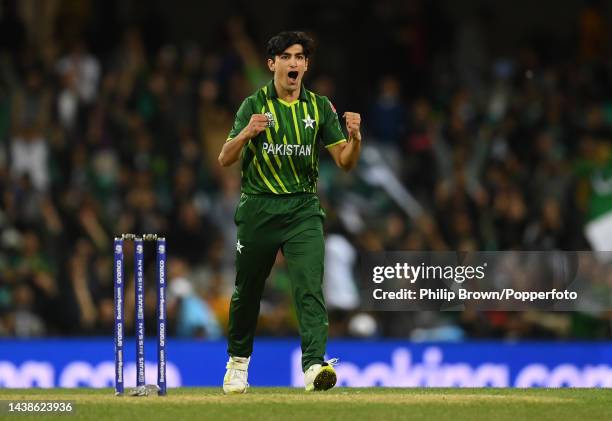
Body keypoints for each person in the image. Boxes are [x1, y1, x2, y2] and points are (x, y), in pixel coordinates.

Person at [218, 31, 362, 393]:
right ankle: (237, 363)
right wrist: (246, 133)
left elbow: (344, 162)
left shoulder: (318, 107)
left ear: (306, 65)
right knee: (247, 291)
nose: (294, 63)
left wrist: (355, 138)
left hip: (302, 209)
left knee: (309, 287)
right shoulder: (253, 104)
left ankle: (314, 366)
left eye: (299, 57)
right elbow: (224, 158)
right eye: (286, 57)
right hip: (258, 208)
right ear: (272, 64)